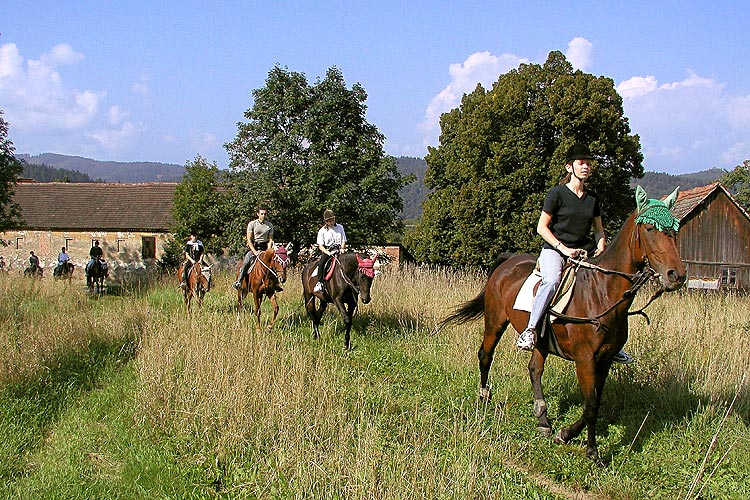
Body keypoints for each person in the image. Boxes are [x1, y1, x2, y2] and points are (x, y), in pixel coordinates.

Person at [516, 143, 634, 365]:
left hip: (582, 253)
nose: (586, 167)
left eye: (588, 163)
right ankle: (530, 330)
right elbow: (541, 227)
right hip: (555, 250)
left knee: (605, 287)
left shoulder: (592, 199)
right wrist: (563, 248)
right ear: (569, 167)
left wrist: (601, 247)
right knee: (552, 281)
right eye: (581, 163)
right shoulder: (557, 194)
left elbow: (598, 230)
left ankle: (614, 345)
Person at [233, 207, 275, 289]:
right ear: (258, 214)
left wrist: (268, 252)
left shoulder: (269, 225)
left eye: (265, 214)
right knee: (246, 262)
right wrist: (254, 251)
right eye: (262, 214)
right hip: (255, 247)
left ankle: (275, 284)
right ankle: (239, 280)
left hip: (265, 248)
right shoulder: (252, 224)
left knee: (275, 263)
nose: (263, 216)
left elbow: (270, 240)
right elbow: (249, 239)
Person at [313, 209, 347, 293]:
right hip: (328, 251)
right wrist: (327, 252)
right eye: (329, 221)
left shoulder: (340, 227)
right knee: (321, 264)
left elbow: (343, 240)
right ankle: (320, 283)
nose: (331, 222)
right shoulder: (322, 231)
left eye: (332, 220)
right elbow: (320, 246)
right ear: (326, 222)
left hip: (339, 250)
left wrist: (342, 248)